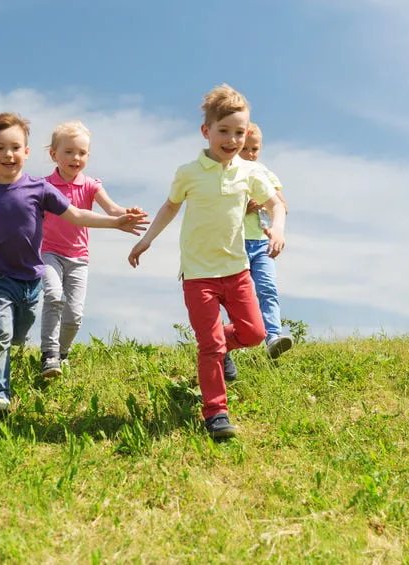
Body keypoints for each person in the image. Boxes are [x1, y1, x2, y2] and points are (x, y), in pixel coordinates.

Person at [0, 112, 148, 418]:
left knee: (19, 332)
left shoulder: (40, 190)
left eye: (15, 147)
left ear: (26, 152)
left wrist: (115, 221)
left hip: (30, 277)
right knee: (1, 334)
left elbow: (77, 215)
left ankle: (12, 340)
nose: (8, 154)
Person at [128, 85, 286, 439]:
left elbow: (276, 203)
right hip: (198, 275)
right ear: (206, 131)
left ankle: (219, 346)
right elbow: (170, 206)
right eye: (224, 131)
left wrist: (277, 228)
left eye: (239, 133)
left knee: (255, 333)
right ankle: (216, 412)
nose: (232, 140)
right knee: (210, 346)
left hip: (237, 270)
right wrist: (147, 239)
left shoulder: (250, 171)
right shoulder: (189, 172)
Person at [39, 121, 143, 377]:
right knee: (53, 297)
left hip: (78, 258)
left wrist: (126, 213)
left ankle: (62, 353)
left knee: (74, 314)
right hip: (48, 252)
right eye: (69, 152)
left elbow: (112, 209)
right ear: (54, 154)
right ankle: (49, 354)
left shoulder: (91, 185)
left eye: (82, 153)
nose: (76, 158)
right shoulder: (43, 186)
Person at [240, 122, 293, 359]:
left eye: (255, 149)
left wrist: (264, 202)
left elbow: (283, 206)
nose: (250, 154)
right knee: (239, 296)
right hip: (235, 243)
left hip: (261, 243)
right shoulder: (227, 173)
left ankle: (273, 337)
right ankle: (241, 339)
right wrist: (243, 207)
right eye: (245, 149)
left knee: (267, 288)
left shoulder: (263, 172)